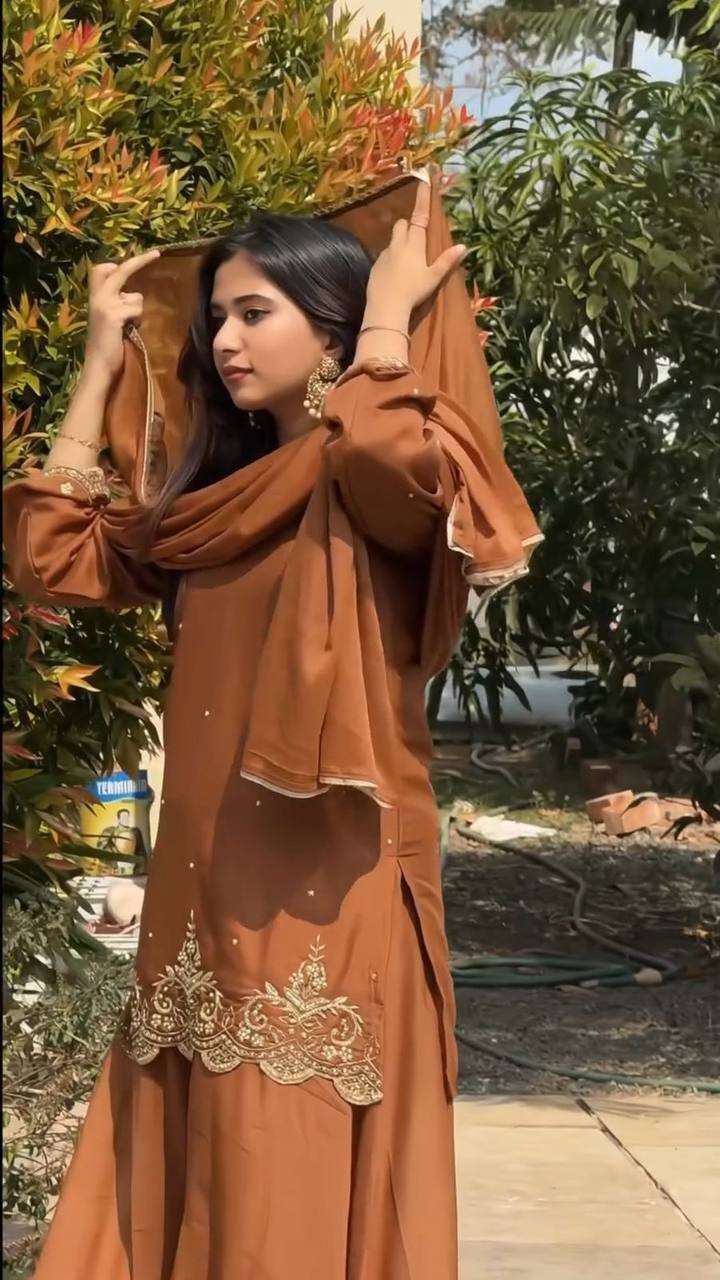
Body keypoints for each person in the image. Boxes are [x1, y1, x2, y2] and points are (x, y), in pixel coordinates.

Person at [4, 175, 541, 1278]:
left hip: (325, 881)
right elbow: (55, 558)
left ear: (333, 327)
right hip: (202, 878)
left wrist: (387, 322)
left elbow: (386, 457)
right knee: (200, 1153)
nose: (224, 340)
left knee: (278, 1156)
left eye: (256, 313)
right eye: (216, 318)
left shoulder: (384, 473)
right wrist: (100, 365)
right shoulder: (218, 499)